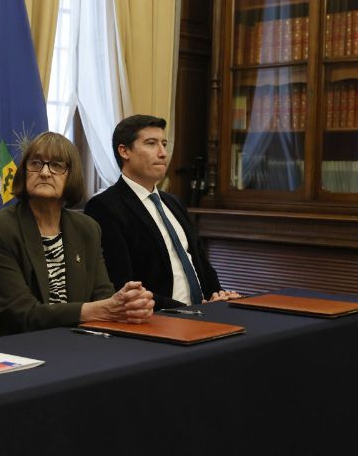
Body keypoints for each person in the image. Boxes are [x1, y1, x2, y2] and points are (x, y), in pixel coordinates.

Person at [0, 132, 154, 340]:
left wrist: (128, 304)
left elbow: (102, 296)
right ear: (24, 172)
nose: (44, 173)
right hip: (4, 347)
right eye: (35, 163)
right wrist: (103, 309)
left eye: (57, 166)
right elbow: (22, 313)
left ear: (72, 175)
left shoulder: (87, 228)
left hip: (68, 340)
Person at [84, 115, 241, 310]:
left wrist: (218, 297)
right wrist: (190, 310)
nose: (163, 153)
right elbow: (123, 284)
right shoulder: (104, 207)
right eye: (151, 144)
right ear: (124, 151)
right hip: (157, 319)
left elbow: (201, 263)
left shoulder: (174, 203)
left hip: (202, 313)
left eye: (164, 144)